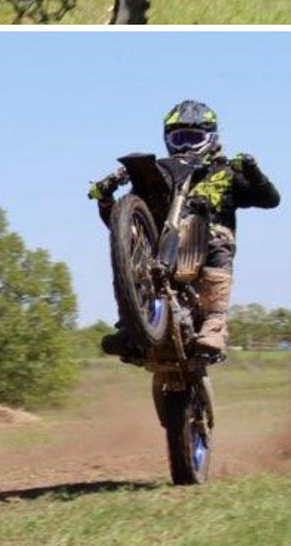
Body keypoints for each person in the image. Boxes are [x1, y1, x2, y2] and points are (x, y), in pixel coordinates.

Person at [89, 100, 280, 359]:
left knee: (217, 236)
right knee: (128, 248)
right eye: (178, 139)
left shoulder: (225, 172)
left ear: (210, 138)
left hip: (204, 251)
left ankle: (215, 322)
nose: (186, 146)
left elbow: (270, 200)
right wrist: (106, 200)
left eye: (192, 138)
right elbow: (127, 225)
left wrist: (254, 173)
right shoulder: (160, 175)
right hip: (162, 250)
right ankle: (129, 322)